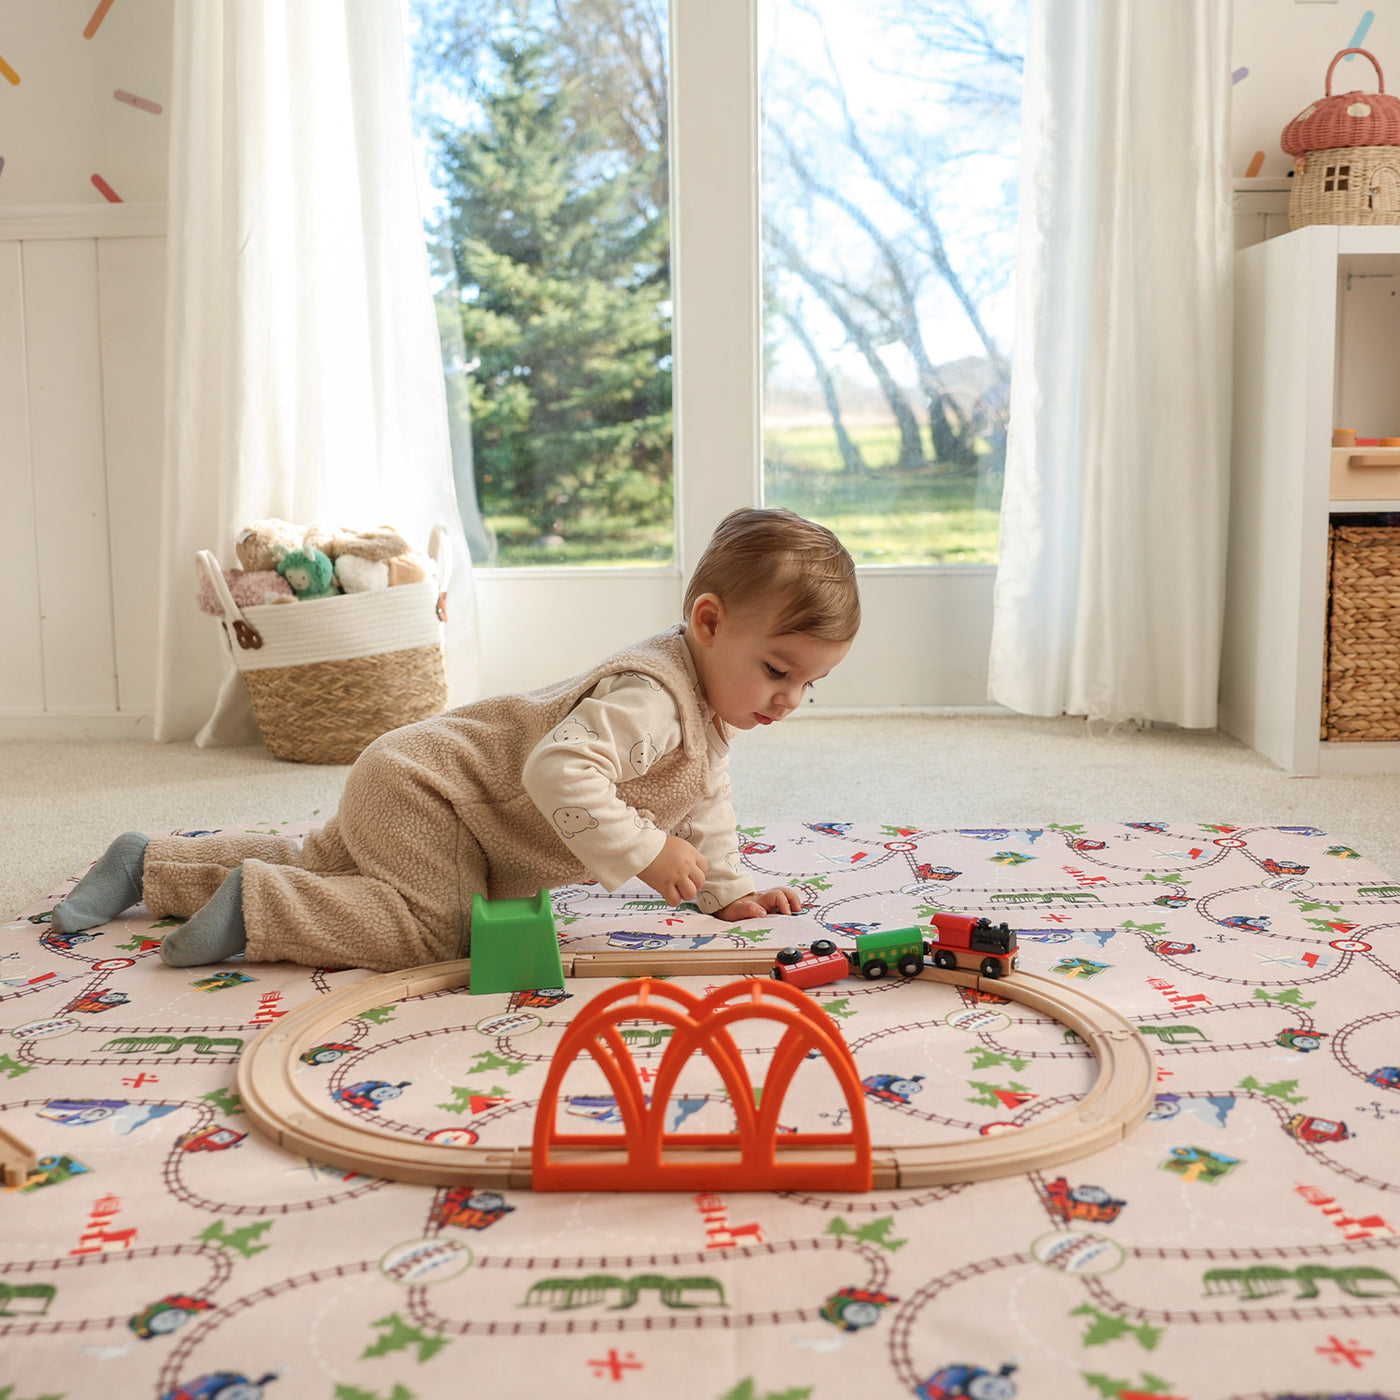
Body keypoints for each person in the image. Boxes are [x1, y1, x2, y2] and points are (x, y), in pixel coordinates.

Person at [51, 507, 860, 973]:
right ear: (710, 623)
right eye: (778, 671)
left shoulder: (712, 713)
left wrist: (727, 889)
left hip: (426, 785)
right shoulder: (650, 699)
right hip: (433, 792)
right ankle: (260, 905)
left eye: (810, 686)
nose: (789, 700)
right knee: (434, 929)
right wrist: (647, 850)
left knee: (333, 863)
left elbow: (701, 801)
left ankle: (146, 863)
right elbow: (558, 771)